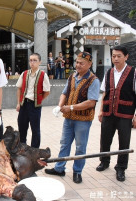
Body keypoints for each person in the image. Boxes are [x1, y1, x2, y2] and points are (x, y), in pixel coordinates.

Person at [45, 52, 100, 184]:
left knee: (80, 147)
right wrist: (59, 106)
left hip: (83, 120)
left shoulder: (94, 80)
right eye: (77, 62)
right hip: (68, 119)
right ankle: (59, 168)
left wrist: (70, 107)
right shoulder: (72, 77)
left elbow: (91, 102)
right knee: (64, 143)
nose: (78, 65)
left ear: (89, 64)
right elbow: (64, 93)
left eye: (82, 63)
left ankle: (77, 171)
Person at [96, 45, 136, 182]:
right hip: (108, 112)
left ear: (126, 57)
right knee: (105, 139)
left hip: (125, 114)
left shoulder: (134, 73)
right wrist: (101, 110)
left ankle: (121, 168)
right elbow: (105, 93)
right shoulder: (109, 73)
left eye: (119, 56)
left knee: (124, 142)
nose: (116, 58)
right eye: (113, 56)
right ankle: (104, 161)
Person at [16, 53, 50, 148]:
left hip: (35, 106)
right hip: (24, 104)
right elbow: (19, 88)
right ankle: (22, 148)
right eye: (30, 60)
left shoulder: (43, 75)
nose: (32, 62)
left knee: (35, 130)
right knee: (22, 128)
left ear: (39, 62)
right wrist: (18, 103)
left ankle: (34, 151)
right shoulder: (24, 73)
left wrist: (39, 99)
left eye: (35, 60)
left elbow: (47, 91)